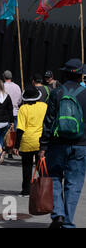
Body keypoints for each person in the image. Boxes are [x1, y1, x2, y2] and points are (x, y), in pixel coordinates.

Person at [39, 59, 86, 228]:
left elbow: (48, 121)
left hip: (57, 143)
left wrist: (43, 146)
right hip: (81, 144)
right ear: (81, 75)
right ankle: (68, 221)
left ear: (64, 74)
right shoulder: (84, 94)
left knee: (55, 177)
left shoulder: (56, 93)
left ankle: (57, 213)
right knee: (74, 184)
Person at [13, 85, 47, 197]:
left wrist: (16, 146)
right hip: (40, 140)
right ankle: (45, 189)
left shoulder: (23, 109)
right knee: (41, 166)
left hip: (27, 141)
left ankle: (26, 190)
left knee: (26, 167)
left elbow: (20, 129)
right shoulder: (44, 106)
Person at [3, 70, 22, 159]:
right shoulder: (17, 87)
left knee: (4, 132)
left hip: (5, 112)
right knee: (13, 133)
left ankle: (3, 150)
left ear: (4, 77)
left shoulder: (3, 86)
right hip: (15, 111)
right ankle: (10, 151)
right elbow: (20, 100)